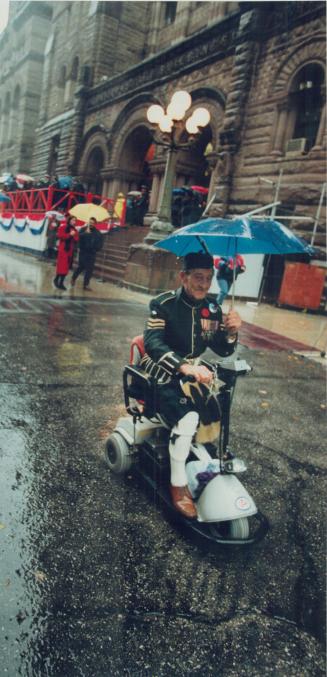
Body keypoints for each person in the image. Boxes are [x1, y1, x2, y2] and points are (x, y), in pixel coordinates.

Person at [142, 251, 242, 519]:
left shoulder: (212, 308)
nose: (204, 284)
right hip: (162, 368)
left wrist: (231, 334)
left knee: (217, 409)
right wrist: (184, 367)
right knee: (187, 418)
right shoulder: (163, 304)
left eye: (208, 278)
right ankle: (178, 486)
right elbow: (153, 344)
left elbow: (222, 350)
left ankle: (197, 457)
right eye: (198, 277)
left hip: (196, 372)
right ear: (183, 277)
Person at [71, 217, 103, 290]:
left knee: (90, 269)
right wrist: (85, 233)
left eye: (93, 223)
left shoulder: (97, 233)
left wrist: (96, 249)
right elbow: (78, 238)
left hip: (92, 253)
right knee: (81, 267)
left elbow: (100, 242)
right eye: (90, 222)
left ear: (95, 224)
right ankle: (73, 278)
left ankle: (86, 285)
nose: (91, 224)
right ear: (88, 222)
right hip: (83, 252)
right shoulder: (83, 229)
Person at [53, 215, 79, 290]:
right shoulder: (63, 227)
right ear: (69, 220)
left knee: (66, 266)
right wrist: (69, 235)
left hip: (70, 250)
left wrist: (74, 235)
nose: (74, 221)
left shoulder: (74, 230)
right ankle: (58, 280)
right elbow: (60, 236)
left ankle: (60, 281)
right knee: (62, 266)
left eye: (75, 220)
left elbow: (76, 239)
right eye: (73, 220)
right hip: (63, 249)